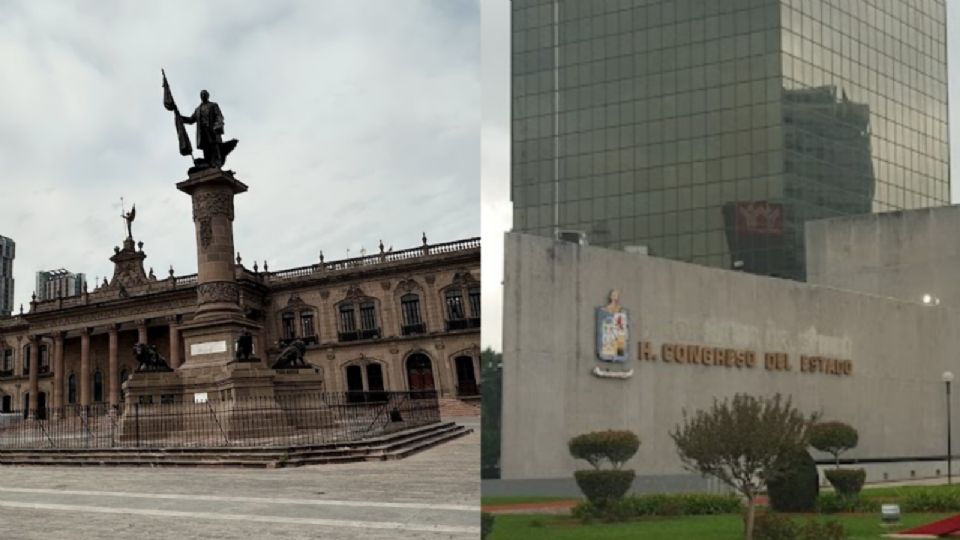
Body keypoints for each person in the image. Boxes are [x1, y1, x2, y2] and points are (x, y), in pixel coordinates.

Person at [180, 90, 236, 168]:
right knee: (206, 148)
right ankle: (208, 162)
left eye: (204, 94)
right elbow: (191, 120)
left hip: (212, 130)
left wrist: (218, 125)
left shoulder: (213, 105)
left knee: (214, 146)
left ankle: (217, 162)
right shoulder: (198, 109)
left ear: (207, 96)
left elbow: (219, 116)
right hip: (202, 132)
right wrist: (180, 117)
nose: (203, 96)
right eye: (202, 95)